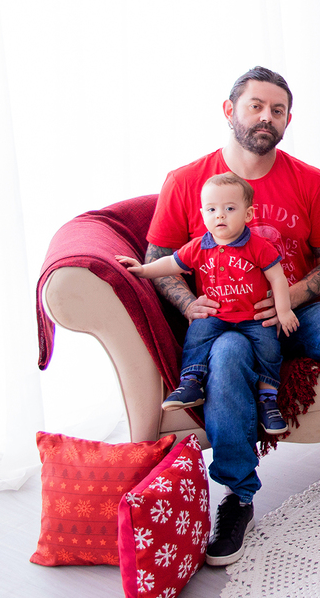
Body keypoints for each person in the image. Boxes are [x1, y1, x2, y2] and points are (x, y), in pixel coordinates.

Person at [145, 66, 320, 568]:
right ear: (229, 111)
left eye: (277, 110)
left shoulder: (310, 181)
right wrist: (188, 305)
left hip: (302, 310)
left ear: (288, 119)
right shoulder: (187, 182)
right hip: (230, 323)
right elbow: (159, 255)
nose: (266, 117)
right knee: (227, 358)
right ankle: (238, 496)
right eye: (255, 105)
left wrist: (289, 297)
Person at [116, 172, 297, 437]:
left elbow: (277, 278)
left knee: (269, 345)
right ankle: (191, 381)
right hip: (216, 313)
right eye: (212, 209)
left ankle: (268, 397)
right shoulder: (199, 246)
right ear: (203, 214)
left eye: (229, 208)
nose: (220, 215)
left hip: (253, 316)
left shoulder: (259, 246)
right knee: (197, 333)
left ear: (248, 215)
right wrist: (143, 270)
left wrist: (283, 310)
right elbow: (170, 264)